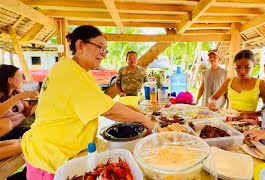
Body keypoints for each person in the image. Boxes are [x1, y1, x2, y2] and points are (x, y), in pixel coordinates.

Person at [21, 25, 154, 179]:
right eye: (100, 47)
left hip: (51, 149)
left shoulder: (72, 69)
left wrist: (139, 112)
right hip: (51, 156)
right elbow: (110, 110)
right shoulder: (72, 74)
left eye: (105, 50)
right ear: (80, 45)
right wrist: (145, 120)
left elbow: (104, 102)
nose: (103, 54)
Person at [208, 50, 265, 117]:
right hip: (230, 121)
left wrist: (250, 115)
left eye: (247, 67)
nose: (242, 71)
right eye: (238, 67)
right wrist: (212, 103)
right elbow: (212, 98)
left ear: (254, 66)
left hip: (250, 124)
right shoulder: (229, 81)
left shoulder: (261, 84)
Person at [0, 64, 39, 140]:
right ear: (9, 80)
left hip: (19, 128)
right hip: (7, 131)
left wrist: (33, 105)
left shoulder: (17, 92)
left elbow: (26, 114)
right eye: (20, 77)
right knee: (6, 124)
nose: (23, 80)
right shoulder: (17, 95)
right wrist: (19, 97)